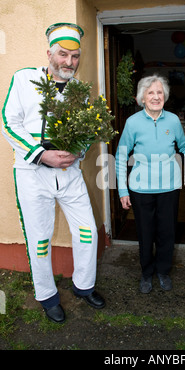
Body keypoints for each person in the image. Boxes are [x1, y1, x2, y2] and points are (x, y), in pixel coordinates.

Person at [2, 23, 106, 324]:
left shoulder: (78, 90)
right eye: (63, 54)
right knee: (40, 239)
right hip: (32, 174)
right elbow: (9, 123)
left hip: (70, 174)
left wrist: (78, 152)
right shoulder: (23, 79)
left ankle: (83, 286)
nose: (69, 62)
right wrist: (41, 154)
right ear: (49, 53)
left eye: (75, 56)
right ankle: (47, 296)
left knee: (87, 232)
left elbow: (87, 129)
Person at [115, 74, 185, 294]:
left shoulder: (173, 120)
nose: (156, 96)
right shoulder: (133, 123)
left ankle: (163, 271)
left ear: (165, 96)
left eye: (159, 92)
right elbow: (121, 156)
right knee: (145, 232)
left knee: (167, 232)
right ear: (142, 97)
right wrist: (123, 190)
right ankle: (146, 273)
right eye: (151, 92)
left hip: (169, 187)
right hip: (141, 188)